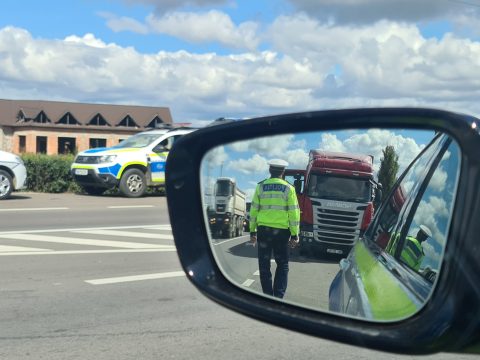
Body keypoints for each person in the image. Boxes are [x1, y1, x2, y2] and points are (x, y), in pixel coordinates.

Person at [249, 159, 300, 298]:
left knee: (264, 265)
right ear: (283, 172)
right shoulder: (289, 188)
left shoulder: (260, 187)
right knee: (282, 264)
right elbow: (294, 213)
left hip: (263, 231)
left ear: (270, 170)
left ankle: (267, 296)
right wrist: (295, 235)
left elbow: (253, 211)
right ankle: (278, 298)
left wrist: (252, 231)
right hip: (282, 233)